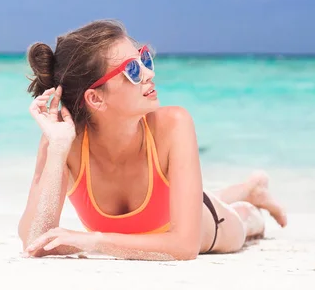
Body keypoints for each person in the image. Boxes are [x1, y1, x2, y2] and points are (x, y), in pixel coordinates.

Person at [18, 19, 287, 261]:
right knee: (190, 197)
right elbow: (34, 240)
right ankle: (250, 188)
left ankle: (252, 192)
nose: (149, 73)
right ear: (95, 98)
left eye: (145, 59)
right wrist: (58, 150)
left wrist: (93, 241)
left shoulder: (173, 125)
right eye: (132, 70)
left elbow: (185, 246)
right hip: (166, 209)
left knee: (248, 219)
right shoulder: (63, 142)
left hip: (215, 223)